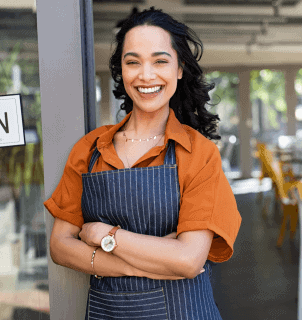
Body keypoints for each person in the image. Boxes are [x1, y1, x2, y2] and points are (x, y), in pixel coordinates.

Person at [44, 6, 242, 320]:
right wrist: (149, 263)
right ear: (121, 71)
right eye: (132, 62)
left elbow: (189, 260)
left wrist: (106, 236)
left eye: (160, 61)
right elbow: (60, 246)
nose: (146, 75)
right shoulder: (90, 149)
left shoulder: (198, 153)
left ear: (179, 69)